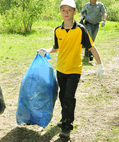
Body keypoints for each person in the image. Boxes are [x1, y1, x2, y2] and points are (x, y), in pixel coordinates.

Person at [37, 0, 105, 139]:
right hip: (61, 69)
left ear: (75, 12)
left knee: (69, 97)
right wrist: (46, 50)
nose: (66, 13)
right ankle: (65, 117)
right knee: (62, 96)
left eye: (69, 10)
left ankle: (67, 126)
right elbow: (56, 47)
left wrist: (100, 64)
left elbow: (91, 47)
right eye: (63, 10)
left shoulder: (80, 29)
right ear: (60, 12)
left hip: (74, 69)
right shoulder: (58, 30)